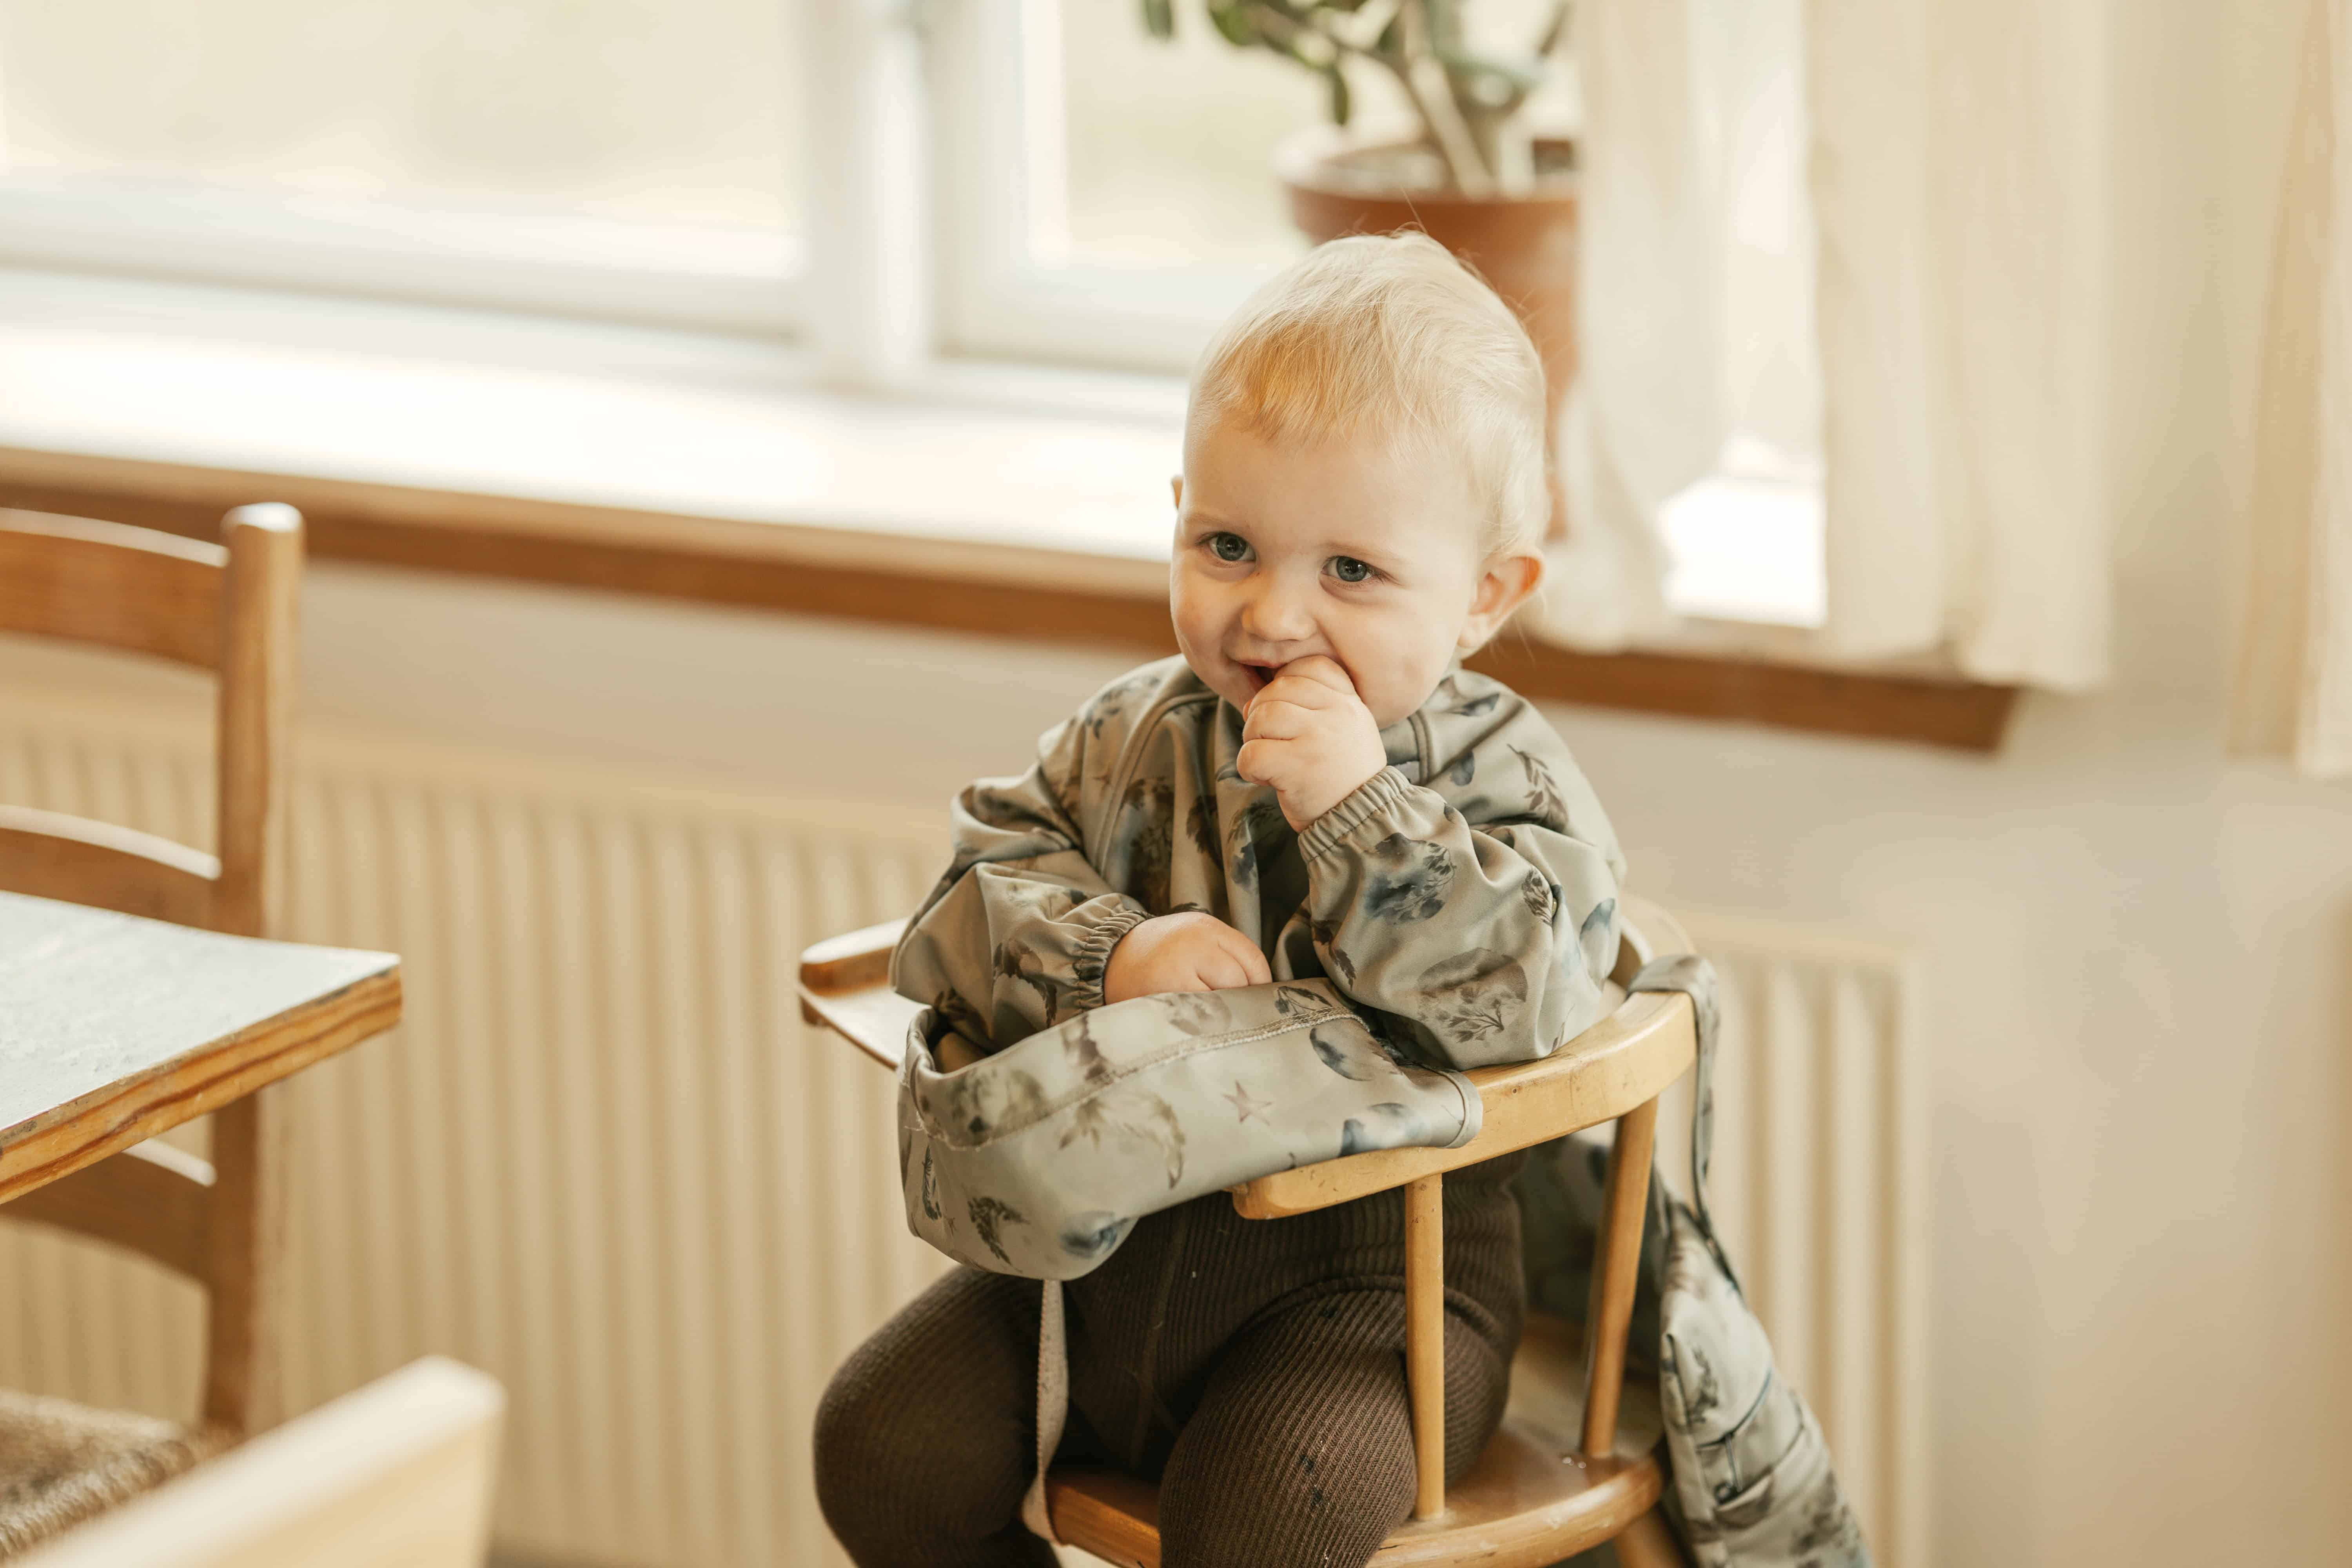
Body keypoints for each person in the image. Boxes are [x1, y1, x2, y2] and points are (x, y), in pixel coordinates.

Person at [815, 230, 1627, 1568]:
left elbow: (1530, 995)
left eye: (1351, 572)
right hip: (1099, 1271)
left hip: (1377, 1298)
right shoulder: (1131, 734)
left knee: (1271, 1511)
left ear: (1485, 597)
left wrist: (1362, 816)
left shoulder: (1506, 774)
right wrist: (1114, 951)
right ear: (1179, 511)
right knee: (878, 1444)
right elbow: (971, 891)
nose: (1271, 616)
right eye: (1230, 545)